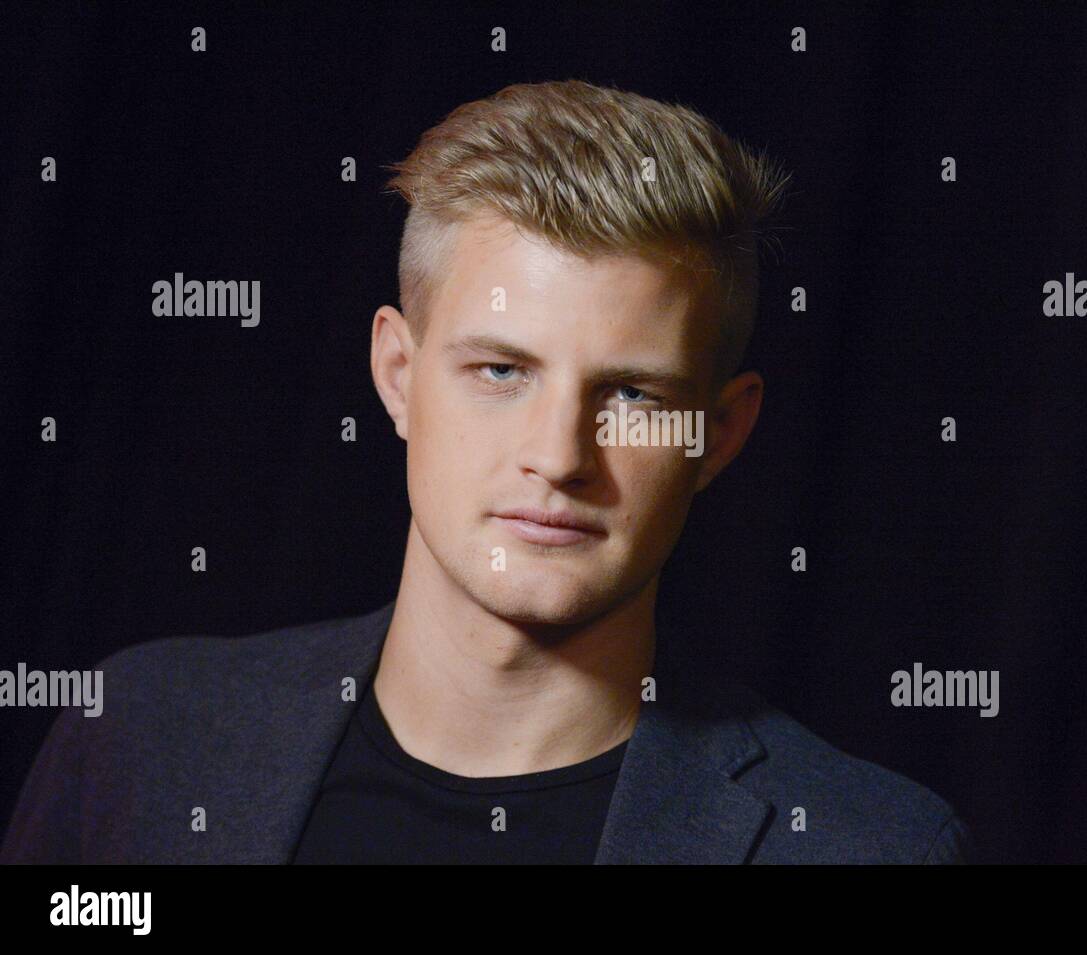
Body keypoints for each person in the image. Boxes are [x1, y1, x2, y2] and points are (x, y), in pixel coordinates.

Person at [1, 79, 972, 864]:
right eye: (500, 371)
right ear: (397, 375)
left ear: (716, 435)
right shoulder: (140, 737)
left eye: (631, 395)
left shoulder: (868, 846)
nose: (557, 456)